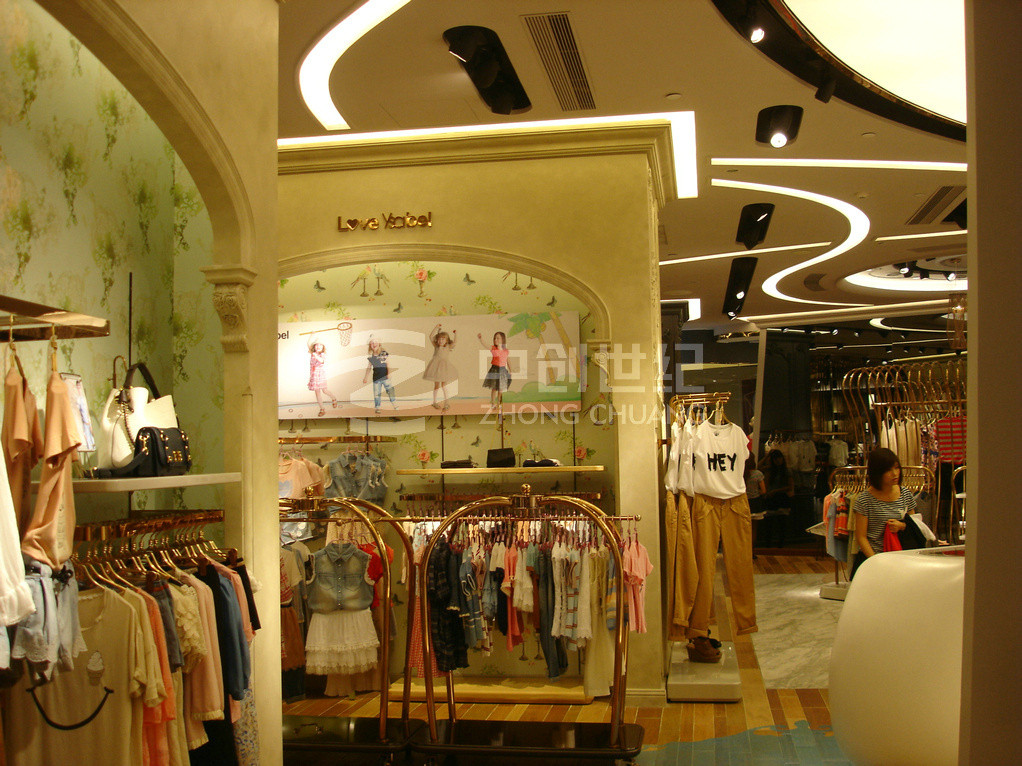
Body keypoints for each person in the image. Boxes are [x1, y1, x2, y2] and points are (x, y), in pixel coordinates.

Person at [850, 447, 918, 578]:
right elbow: (861, 537)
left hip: (901, 558)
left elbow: (916, 525)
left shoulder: (905, 494)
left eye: (896, 468)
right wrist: (875, 561)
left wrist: (902, 526)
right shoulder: (865, 500)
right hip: (874, 560)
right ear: (877, 472)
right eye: (888, 470)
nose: (894, 473)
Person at [759, 449, 794, 548]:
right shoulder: (770, 469)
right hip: (771, 498)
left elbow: (790, 486)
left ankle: (780, 544)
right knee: (768, 523)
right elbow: (758, 467)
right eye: (775, 459)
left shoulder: (787, 471)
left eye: (779, 458)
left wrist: (775, 491)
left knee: (781, 523)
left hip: (782, 497)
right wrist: (767, 456)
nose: (778, 461)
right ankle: (768, 544)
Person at [423, 323, 457, 410]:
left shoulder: (448, 346)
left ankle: (447, 403)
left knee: (444, 386)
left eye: (443, 339)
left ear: (446, 340)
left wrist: (455, 334)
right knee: (436, 385)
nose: (441, 341)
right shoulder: (436, 346)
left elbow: (455, 342)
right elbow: (430, 336)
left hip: (444, 368)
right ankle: (434, 402)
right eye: (439, 339)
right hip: (436, 368)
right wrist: (436, 327)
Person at [362, 337, 398, 414]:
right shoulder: (371, 357)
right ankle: (377, 407)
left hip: (385, 377)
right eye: (372, 343)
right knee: (377, 394)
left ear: (379, 344)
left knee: (390, 391)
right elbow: (369, 368)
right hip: (376, 379)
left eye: (375, 342)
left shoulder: (383, 353)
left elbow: (388, 363)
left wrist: (389, 373)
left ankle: (394, 404)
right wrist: (365, 377)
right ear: (370, 346)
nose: (374, 344)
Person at [477, 331, 511, 408]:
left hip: (502, 371)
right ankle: (493, 403)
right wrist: (481, 339)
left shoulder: (506, 351)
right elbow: (486, 345)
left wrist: (511, 370)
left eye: (498, 338)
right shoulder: (494, 349)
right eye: (495, 338)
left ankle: (499, 402)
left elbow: (508, 360)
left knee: (500, 389)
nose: (496, 339)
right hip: (495, 370)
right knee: (494, 388)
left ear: (502, 339)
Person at [307, 337, 339, 416]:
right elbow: (308, 343)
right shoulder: (313, 353)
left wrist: (315, 355)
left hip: (320, 375)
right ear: (314, 346)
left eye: (320, 345)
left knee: (324, 390)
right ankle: (322, 409)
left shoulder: (322, 355)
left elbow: (322, 361)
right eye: (317, 345)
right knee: (317, 392)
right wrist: (311, 335)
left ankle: (334, 398)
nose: (318, 347)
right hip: (314, 376)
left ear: (323, 347)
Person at [745, 455, 766, 550]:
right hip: (756, 502)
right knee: (753, 529)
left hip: (744, 502)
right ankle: (751, 550)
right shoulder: (758, 474)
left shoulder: (742, 473)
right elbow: (764, 490)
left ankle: (743, 550)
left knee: (743, 529)